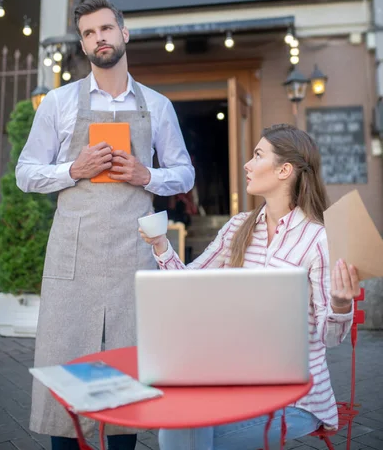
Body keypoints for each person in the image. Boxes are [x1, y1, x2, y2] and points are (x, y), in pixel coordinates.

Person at [16, 0, 195, 450]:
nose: (100, 38)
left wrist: (146, 175)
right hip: (73, 257)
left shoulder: (157, 105)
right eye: (90, 33)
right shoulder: (57, 103)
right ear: (83, 44)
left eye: (106, 29)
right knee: (68, 375)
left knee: (127, 376)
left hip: (133, 254)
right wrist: (71, 170)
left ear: (124, 33)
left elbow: (185, 172)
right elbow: (24, 172)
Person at [139, 123, 360, 450]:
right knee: (179, 427)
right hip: (234, 382)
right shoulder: (237, 227)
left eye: (258, 155)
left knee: (189, 435)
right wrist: (160, 245)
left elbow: (331, 338)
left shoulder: (318, 239)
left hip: (299, 397)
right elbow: (185, 284)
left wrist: (341, 304)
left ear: (284, 169)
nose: (247, 164)